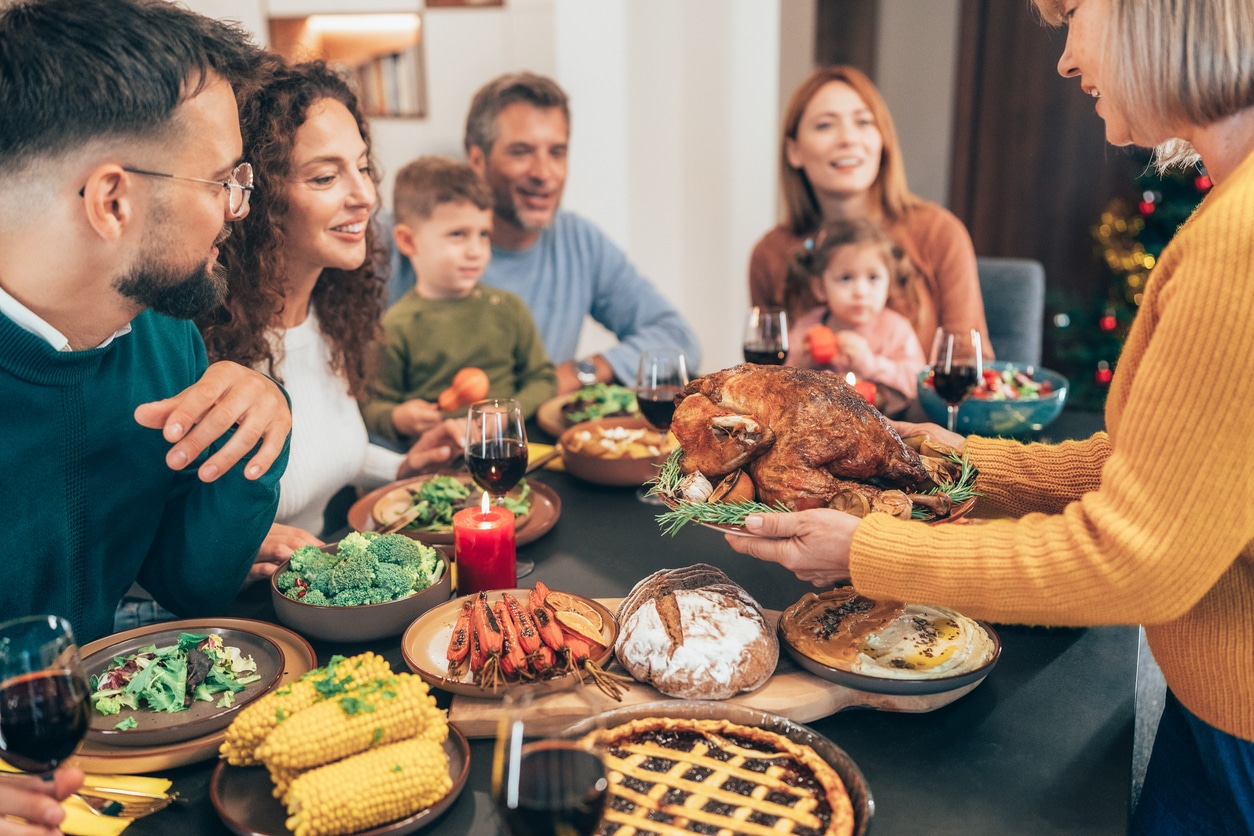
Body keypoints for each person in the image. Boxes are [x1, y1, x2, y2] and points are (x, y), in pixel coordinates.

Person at [728, 0, 1254, 831]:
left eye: (1071, 14)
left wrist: (869, 551)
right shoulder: (1232, 208)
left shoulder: (1238, 239)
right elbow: (1158, 470)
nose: (1065, 60)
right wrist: (966, 461)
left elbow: (1137, 560)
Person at [0, 0, 293, 827]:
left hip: (135, 765)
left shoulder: (166, 342)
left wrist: (256, 426)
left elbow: (185, 581)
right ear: (113, 201)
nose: (238, 210)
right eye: (224, 180)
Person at [197, 62, 461, 576]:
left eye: (362, 167)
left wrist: (401, 468)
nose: (364, 196)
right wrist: (224, 549)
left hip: (323, 584)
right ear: (259, 197)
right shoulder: (203, 340)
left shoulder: (329, 316)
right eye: (325, 177)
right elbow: (151, 534)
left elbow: (323, 454)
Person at [386, 72, 701, 394]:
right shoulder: (397, 238)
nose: (544, 173)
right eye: (521, 152)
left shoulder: (580, 242)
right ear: (478, 160)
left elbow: (676, 339)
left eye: (557, 152)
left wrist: (580, 371)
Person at [749, 65, 992, 359]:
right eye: (825, 125)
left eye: (863, 122)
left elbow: (968, 362)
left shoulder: (939, 233)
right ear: (794, 151)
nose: (848, 139)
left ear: (882, 141)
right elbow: (765, 381)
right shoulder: (770, 253)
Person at [363, 156, 555, 443]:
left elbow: (543, 379)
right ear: (408, 241)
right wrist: (399, 417)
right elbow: (371, 408)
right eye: (457, 234)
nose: (475, 251)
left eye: (483, 234)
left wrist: (507, 414)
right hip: (437, 463)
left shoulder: (508, 309)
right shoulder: (395, 327)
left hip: (511, 451)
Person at [783, 217, 925, 399]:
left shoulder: (896, 329)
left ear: (889, 284)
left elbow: (917, 383)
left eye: (873, 278)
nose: (860, 292)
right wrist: (800, 363)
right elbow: (780, 377)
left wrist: (870, 363)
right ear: (820, 288)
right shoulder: (809, 326)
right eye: (846, 278)